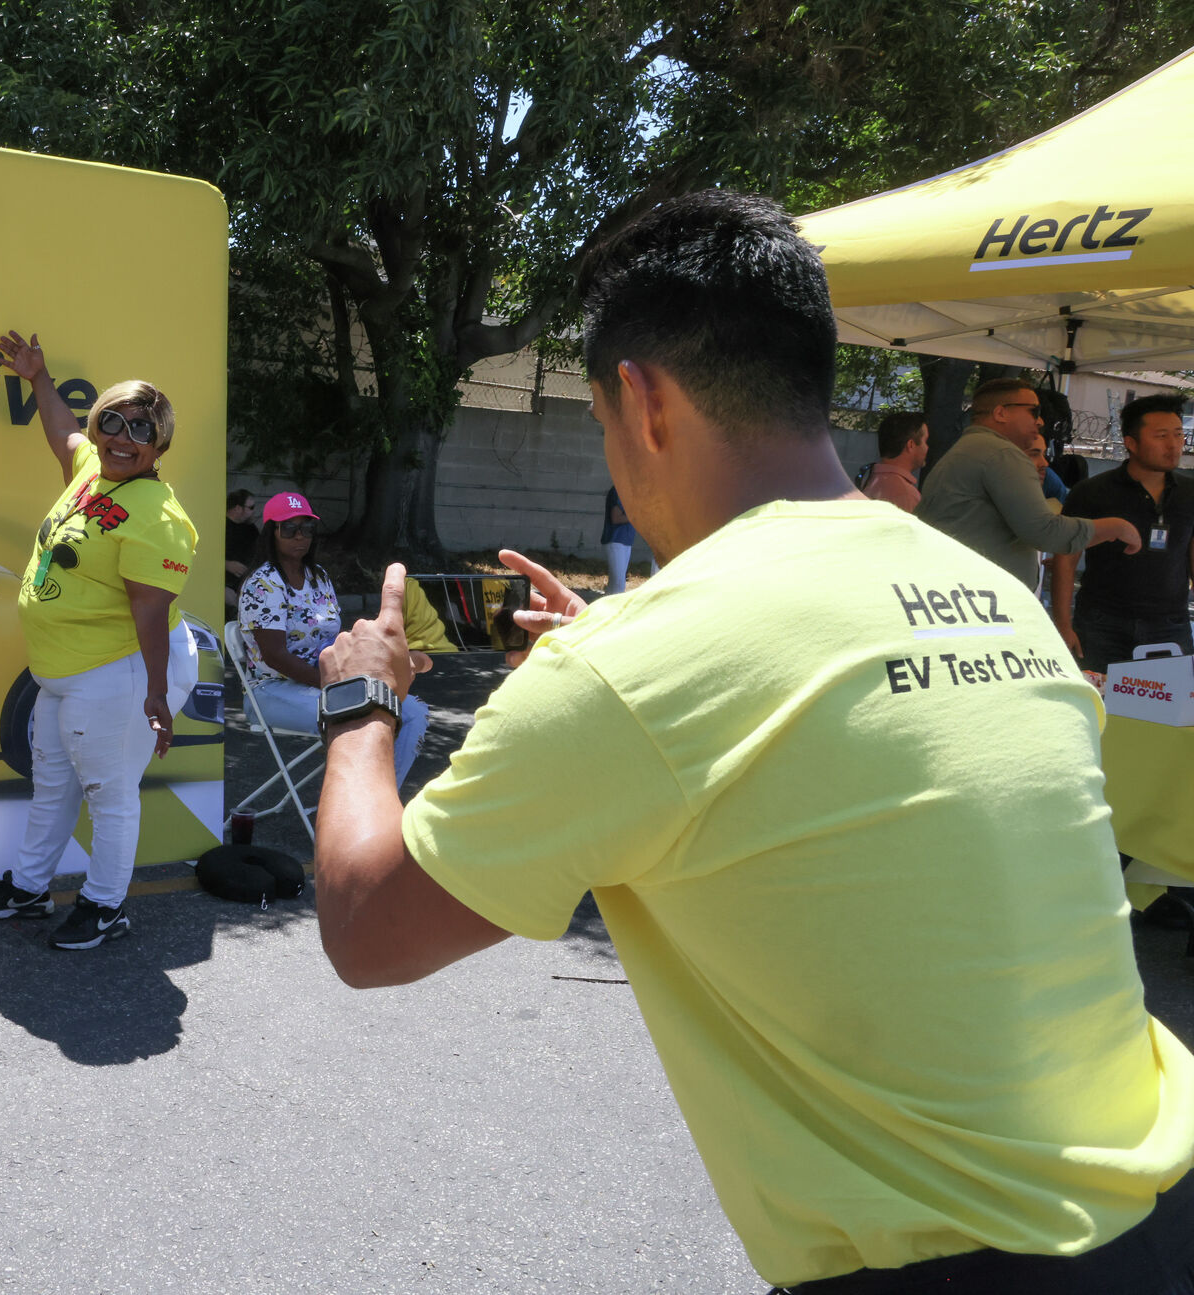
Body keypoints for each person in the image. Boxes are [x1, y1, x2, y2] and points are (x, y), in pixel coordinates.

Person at [309, 192, 1194, 1294]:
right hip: (1160, 1190)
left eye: (594, 420)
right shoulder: (985, 590)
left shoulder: (641, 666)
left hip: (964, 1267)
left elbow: (363, 923)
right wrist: (633, 661)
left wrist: (360, 703)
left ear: (640, 399)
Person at [0, 330, 199, 950]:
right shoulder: (94, 467)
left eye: (140, 430)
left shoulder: (160, 517)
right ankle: (32, 887)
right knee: (54, 786)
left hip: (121, 672)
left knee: (109, 796)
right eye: (113, 422)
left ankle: (105, 905)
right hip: (63, 672)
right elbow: (64, 434)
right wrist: (40, 378)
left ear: (160, 443)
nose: (122, 438)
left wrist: (156, 696)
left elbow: (151, 615)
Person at [236, 492, 431, 786]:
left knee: (411, 711)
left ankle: (383, 802)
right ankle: (359, 810)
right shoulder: (262, 583)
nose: (300, 536)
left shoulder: (318, 576)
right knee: (364, 714)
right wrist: (335, 684)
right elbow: (274, 655)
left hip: (324, 683)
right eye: (289, 528)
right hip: (271, 690)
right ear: (271, 533)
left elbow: (335, 638)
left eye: (307, 528)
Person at [916, 378, 1141, 589]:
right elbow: (1044, 532)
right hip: (979, 598)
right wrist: (1115, 527)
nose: (1040, 421)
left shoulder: (970, 448)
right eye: (1034, 411)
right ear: (1001, 413)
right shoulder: (1002, 453)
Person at [1050, 393, 1194, 670]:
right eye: (1161, 436)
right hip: (1101, 622)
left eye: (1178, 435)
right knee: (1097, 706)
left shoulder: (1190, 493)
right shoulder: (1092, 492)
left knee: (1162, 712)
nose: (1173, 445)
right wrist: (1062, 625)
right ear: (1131, 443)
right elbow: (1065, 560)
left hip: (1169, 626)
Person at [861, 410, 927, 512]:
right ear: (911, 445)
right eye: (925, 441)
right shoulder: (906, 495)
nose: (927, 448)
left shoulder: (868, 478)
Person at [224, 489, 259, 617]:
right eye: (251, 507)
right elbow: (203, 556)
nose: (254, 511)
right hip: (224, 586)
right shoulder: (219, 526)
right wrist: (225, 564)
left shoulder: (251, 530)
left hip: (246, 586)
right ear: (238, 508)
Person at [600, 485, 636, 594]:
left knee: (618, 584)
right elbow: (616, 518)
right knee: (618, 584)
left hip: (625, 541)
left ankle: (606, 610)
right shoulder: (619, 490)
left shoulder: (629, 490)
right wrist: (637, 517)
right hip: (616, 540)